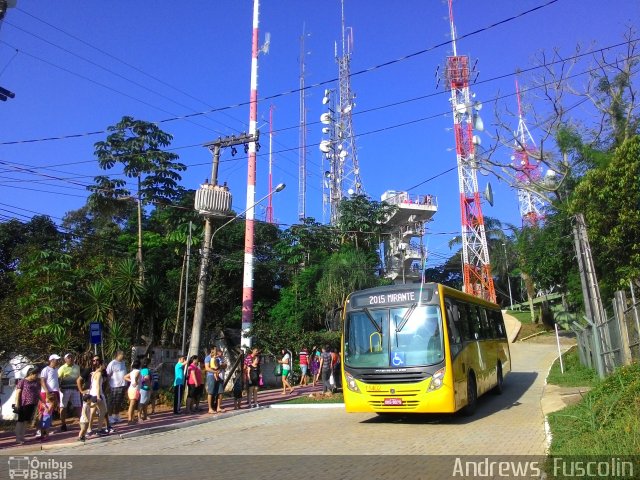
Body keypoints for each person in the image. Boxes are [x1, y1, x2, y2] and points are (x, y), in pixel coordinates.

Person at [14, 367, 40, 445]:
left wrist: (42, 402)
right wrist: (17, 404)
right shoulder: (22, 381)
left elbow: (37, 393)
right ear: (31, 374)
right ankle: (18, 437)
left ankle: (22, 436)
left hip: (32, 403)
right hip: (23, 404)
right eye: (35, 374)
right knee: (20, 421)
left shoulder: (35, 382)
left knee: (25, 421)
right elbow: (18, 393)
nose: (36, 376)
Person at [37, 354, 61, 437]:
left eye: (58, 360)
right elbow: (42, 381)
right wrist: (47, 392)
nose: (58, 361)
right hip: (46, 392)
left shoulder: (56, 370)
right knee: (43, 411)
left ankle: (46, 430)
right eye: (56, 360)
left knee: (50, 411)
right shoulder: (45, 369)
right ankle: (39, 430)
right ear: (51, 360)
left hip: (54, 392)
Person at [58, 353, 81, 432]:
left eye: (71, 357)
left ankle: (82, 422)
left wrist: (80, 387)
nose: (70, 359)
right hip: (65, 390)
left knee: (78, 406)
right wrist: (59, 388)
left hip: (75, 389)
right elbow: (58, 378)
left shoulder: (77, 367)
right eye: (68, 357)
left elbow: (79, 378)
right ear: (65, 359)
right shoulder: (62, 368)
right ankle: (63, 424)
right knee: (63, 406)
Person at [87, 356, 109, 436]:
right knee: (103, 411)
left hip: (92, 394)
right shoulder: (99, 373)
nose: (105, 366)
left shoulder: (94, 373)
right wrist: (99, 396)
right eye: (104, 365)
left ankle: (89, 429)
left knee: (92, 412)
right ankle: (99, 429)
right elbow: (97, 386)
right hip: (97, 394)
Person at [106, 351, 127, 424]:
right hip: (114, 386)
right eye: (122, 354)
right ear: (118, 355)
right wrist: (108, 385)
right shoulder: (112, 363)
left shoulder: (123, 363)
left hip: (123, 385)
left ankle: (116, 415)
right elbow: (108, 374)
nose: (123, 356)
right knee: (112, 402)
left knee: (119, 402)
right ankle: (110, 417)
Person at [124, 360, 141, 424]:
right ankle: (129, 419)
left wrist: (131, 381)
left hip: (131, 389)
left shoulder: (132, 372)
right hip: (134, 390)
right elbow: (136, 376)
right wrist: (135, 381)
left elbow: (125, 377)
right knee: (132, 405)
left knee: (132, 405)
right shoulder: (138, 371)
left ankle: (132, 418)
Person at [212, 348, 227, 413]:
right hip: (218, 377)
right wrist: (222, 365)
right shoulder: (216, 359)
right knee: (218, 392)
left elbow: (225, 365)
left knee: (220, 393)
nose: (222, 354)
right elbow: (218, 366)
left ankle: (218, 406)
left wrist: (223, 365)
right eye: (220, 353)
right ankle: (216, 407)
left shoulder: (221, 359)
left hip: (221, 376)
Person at [204, 347, 217, 414]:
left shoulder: (215, 358)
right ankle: (209, 408)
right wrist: (215, 372)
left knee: (214, 392)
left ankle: (213, 406)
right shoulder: (208, 358)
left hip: (215, 376)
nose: (216, 351)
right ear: (211, 351)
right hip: (210, 376)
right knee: (210, 392)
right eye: (215, 350)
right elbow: (207, 368)